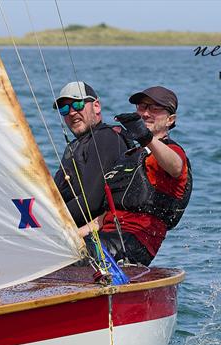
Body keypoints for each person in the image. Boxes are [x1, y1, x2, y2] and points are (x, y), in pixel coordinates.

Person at [78, 86, 192, 266]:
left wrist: (146, 137)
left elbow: (176, 167)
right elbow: (105, 217)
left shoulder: (172, 152)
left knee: (77, 257)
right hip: (107, 236)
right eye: (142, 107)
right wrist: (67, 237)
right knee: (60, 250)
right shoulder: (130, 156)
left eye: (154, 108)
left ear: (170, 120)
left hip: (136, 241)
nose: (146, 113)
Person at [52, 81, 129, 229]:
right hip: (70, 230)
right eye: (64, 109)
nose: (72, 112)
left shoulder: (105, 138)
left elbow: (91, 202)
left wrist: (49, 221)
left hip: (100, 235)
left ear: (96, 106)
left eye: (78, 105)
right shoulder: (76, 146)